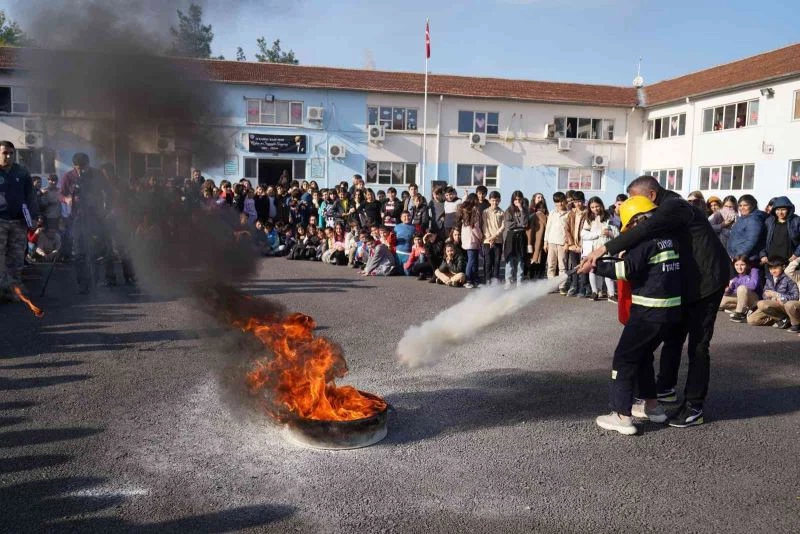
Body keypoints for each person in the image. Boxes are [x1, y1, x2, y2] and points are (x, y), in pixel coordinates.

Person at [581, 175, 731, 428]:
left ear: (651, 196)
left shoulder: (675, 206)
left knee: (698, 345)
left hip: (707, 282)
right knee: (670, 338)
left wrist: (601, 250)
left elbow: (645, 230)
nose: (632, 207)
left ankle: (694, 406)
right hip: (684, 285)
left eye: (634, 200)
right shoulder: (662, 211)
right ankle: (660, 394)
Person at [593, 196, 679, 435]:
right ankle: (653, 407)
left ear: (635, 221)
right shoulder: (669, 238)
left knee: (624, 359)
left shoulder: (645, 242)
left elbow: (625, 270)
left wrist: (596, 266)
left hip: (648, 312)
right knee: (642, 356)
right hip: (670, 312)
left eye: (628, 225)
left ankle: (621, 416)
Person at [61, 152, 114, 292]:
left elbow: (109, 191)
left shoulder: (97, 174)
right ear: (74, 166)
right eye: (79, 168)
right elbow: (61, 193)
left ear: (88, 165)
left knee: (95, 251)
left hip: (95, 218)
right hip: (77, 218)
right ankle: (82, 284)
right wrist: (67, 199)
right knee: (79, 253)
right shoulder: (68, 176)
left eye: (84, 167)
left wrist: (106, 210)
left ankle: (94, 282)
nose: (82, 170)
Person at [0, 141, 39, 302]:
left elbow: (31, 196)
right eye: (4, 153)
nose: (8, 156)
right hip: (0, 221)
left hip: (18, 222)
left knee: (16, 259)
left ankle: (14, 291)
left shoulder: (22, 172)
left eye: (11, 153)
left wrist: (35, 216)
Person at [746, 256, 799, 330]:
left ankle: (784, 318)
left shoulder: (788, 278)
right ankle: (780, 319)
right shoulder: (769, 278)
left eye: (775, 268)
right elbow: (765, 293)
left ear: (783, 267)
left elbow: (795, 296)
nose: (772, 271)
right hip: (771, 306)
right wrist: (769, 297)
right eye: (770, 269)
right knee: (752, 320)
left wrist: (779, 296)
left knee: (762, 304)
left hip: (784, 305)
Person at [581, 196, 618, 301]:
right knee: (593, 270)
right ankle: (595, 292)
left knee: (607, 271)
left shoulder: (609, 217)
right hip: (593, 249)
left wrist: (609, 233)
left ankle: (611, 294)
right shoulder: (589, 219)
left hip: (606, 248)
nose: (595, 209)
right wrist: (597, 234)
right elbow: (583, 234)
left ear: (601, 205)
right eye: (592, 207)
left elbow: (617, 234)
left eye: (597, 206)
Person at [759, 196, 800, 266]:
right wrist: (763, 255)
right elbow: (762, 240)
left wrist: (796, 254)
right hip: (770, 262)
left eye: (783, 209)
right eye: (777, 209)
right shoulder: (769, 222)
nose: (780, 212)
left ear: (789, 209)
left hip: (789, 261)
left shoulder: (796, 221)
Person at [727, 194, 767, 263]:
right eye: (740, 205)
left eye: (745, 205)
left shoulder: (754, 220)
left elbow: (751, 241)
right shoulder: (742, 218)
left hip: (746, 259)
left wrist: (738, 256)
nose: (742, 208)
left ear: (753, 205)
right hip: (736, 258)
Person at [563, 191, 588, 297]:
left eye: (580, 201)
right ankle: (574, 286)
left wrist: (582, 246)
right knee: (574, 266)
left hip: (584, 246)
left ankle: (583, 288)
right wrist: (571, 244)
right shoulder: (570, 214)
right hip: (573, 246)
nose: (578, 204)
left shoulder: (587, 213)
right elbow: (567, 229)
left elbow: (588, 230)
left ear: (583, 201)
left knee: (583, 267)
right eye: (576, 202)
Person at [722, 256, 761, 323]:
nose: (739, 267)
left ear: (747, 264)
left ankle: (740, 314)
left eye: (742, 265)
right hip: (743, 300)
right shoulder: (737, 276)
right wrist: (728, 289)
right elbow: (731, 292)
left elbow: (753, 285)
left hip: (755, 300)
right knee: (722, 301)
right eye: (736, 265)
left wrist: (737, 282)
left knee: (741, 288)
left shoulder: (754, 271)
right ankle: (746, 310)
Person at [502, 191, 528, 289]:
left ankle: (519, 281)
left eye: (519, 199)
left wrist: (521, 209)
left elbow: (525, 223)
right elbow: (508, 224)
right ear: (513, 200)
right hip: (511, 236)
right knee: (510, 259)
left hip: (521, 235)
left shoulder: (525, 210)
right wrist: (519, 224)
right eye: (515, 199)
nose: (517, 201)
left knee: (520, 259)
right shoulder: (508, 210)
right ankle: (508, 280)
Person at [544, 191, 569, 292]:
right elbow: (548, 228)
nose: (560, 204)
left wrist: (567, 243)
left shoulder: (569, 214)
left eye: (561, 201)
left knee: (562, 265)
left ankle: (562, 286)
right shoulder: (552, 213)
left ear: (565, 201)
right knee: (551, 265)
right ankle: (551, 285)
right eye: (557, 202)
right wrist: (545, 242)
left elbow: (569, 230)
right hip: (551, 242)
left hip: (562, 243)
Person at [458, 193, 483, 288]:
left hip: (466, 238)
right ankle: (468, 280)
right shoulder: (474, 210)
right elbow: (475, 227)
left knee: (473, 260)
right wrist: (481, 236)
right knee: (472, 260)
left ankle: (474, 279)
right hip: (473, 239)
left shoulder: (464, 210)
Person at [482, 191, 504, 285]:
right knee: (488, 262)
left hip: (498, 240)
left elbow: (503, 226)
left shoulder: (502, 212)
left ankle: (495, 280)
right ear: (490, 200)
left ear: (499, 201)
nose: (495, 202)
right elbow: (484, 226)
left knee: (497, 262)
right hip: (487, 241)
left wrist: (494, 237)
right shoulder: (485, 212)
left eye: (497, 200)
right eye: (493, 200)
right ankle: (487, 280)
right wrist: (489, 238)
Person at [526, 195, 548, 280]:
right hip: (537, 243)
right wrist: (529, 244)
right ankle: (536, 281)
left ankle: (535, 280)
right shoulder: (533, 215)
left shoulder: (547, 216)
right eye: (538, 197)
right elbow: (530, 231)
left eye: (542, 197)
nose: (541, 210)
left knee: (537, 262)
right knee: (537, 262)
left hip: (540, 243)